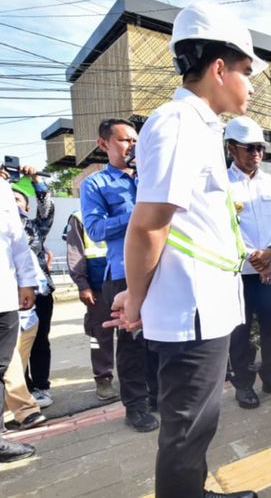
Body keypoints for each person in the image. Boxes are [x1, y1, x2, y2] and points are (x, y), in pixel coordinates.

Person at [102, 1, 263, 498]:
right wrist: (135, 297)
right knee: (184, 432)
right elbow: (148, 225)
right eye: (245, 71)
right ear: (219, 68)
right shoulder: (177, 123)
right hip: (190, 311)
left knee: (197, 427)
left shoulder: (199, 125)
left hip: (204, 305)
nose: (251, 84)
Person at [81, 118, 159, 432]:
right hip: (124, 273)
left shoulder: (150, 178)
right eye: (125, 140)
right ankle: (135, 407)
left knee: (158, 337)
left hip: (159, 268)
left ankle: (158, 396)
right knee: (131, 343)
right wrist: (141, 211)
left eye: (135, 141)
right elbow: (96, 229)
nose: (132, 147)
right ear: (104, 144)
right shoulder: (95, 184)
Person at [225, 116, 271, 409]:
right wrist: (257, 257)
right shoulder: (221, 183)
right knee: (240, 332)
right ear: (231, 149)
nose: (256, 154)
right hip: (240, 272)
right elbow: (226, 227)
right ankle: (243, 384)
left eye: (260, 148)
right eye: (249, 148)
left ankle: (270, 374)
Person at [0, 174, 38, 462]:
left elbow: (17, 240)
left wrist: (27, 281)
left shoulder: (2, 189)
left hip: (4, 295)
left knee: (1, 367)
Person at [9, 167, 54, 408]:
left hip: (39, 293)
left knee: (39, 341)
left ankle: (41, 387)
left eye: (17, 198)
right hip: (9, 294)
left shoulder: (33, 227)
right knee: (12, 347)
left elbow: (46, 212)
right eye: (8, 197)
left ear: (26, 206)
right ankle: (19, 391)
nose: (12, 201)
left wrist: (36, 181)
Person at [65, 211, 117, 401]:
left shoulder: (125, 205)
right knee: (100, 335)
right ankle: (103, 379)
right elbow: (75, 252)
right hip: (98, 288)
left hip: (126, 281)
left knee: (132, 335)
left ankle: (137, 376)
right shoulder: (79, 217)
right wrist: (82, 285)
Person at [2, 250, 48, 432]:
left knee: (14, 367)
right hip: (9, 318)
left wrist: (27, 288)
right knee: (9, 366)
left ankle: (12, 413)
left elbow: (39, 282)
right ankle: (24, 410)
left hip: (24, 319)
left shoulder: (14, 245)